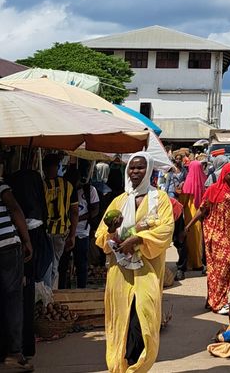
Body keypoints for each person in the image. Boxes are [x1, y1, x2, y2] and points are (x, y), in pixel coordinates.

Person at [95, 152, 174, 373]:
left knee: (144, 319)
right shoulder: (119, 201)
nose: (135, 172)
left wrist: (138, 239)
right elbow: (101, 237)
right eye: (132, 167)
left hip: (148, 271)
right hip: (120, 272)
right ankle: (123, 366)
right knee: (122, 320)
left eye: (140, 168)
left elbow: (166, 230)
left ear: (149, 170)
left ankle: (137, 366)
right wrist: (112, 230)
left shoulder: (160, 199)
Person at [187, 162, 230, 315]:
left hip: (228, 233)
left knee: (221, 269)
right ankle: (219, 303)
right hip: (215, 233)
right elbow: (202, 209)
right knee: (222, 267)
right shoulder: (213, 190)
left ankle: (213, 299)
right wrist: (188, 225)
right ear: (224, 174)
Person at [0, 177, 34, 372]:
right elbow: (14, 209)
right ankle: (14, 353)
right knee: (13, 299)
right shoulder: (1, 184)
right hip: (7, 247)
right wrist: (27, 240)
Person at [42, 154, 78, 289]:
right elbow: (74, 212)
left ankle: (47, 295)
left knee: (46, 265)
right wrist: (72, 235)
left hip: (46, 231)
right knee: (54, 264)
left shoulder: (42, 185)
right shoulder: (68, 186)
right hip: (60, 232)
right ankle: (49, 293)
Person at [179, 159, 206, 275]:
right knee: (200, 239)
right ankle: (199, 262)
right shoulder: (205, 180)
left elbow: (182, 202)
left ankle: (192, 263)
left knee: (190, 240)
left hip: (190, 215)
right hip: (201, 214)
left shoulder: (187, 183)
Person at [73, 177, 99, 288]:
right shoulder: (67, 188)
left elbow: (95, 210)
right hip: (65, 231)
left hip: (82, 232)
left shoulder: (90, 190)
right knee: (62, 265)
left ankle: (81, 289)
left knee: (81, 264)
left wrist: (77, 219)